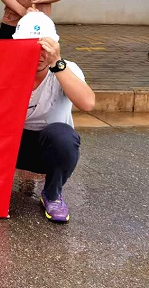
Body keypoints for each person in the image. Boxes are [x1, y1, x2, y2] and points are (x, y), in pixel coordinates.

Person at [12, 12, 95, 223]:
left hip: (47, 149)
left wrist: (57, 64)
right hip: (11, 145)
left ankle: (52, 194)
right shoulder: (7, 67)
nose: (38, 55)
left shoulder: (66, 69)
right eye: (30, 47)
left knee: (63, 136)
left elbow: (88, 103)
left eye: (44, 48)